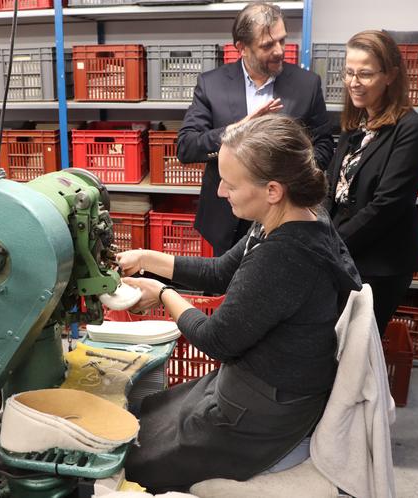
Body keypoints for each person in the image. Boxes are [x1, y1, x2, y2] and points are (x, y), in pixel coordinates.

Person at [119, 114, 362, 493]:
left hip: (266, 409)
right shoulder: (289, 215)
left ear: (272, 189)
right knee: (144, 417)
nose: (219, 192)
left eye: (230, 184)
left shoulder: (286, 256)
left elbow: (218, 340)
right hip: (258, 381)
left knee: (134, 459)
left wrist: (164, 295)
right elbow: (219, 272)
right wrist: (148, 259)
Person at [177, 1, 334, 256]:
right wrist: (237, 129)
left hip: (286, 214)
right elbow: (187, 147)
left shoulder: (307, 85)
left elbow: (325, 143)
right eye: (267, 45)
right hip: (228, 217)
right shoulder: (211, 84)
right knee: (224, 286)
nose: (279, 50)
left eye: (282, 40)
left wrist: (295, 179)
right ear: (242, 48)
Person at [324, 30, 418, 336]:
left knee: (357, 346)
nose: (354, 82)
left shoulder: (410, 130)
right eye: (349, 72)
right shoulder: (356, 122)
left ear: (390, 76)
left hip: (379, 263)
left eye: (365, 74)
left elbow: (387, 206)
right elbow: (332, 187)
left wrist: (331, 246)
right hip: (344, 251)